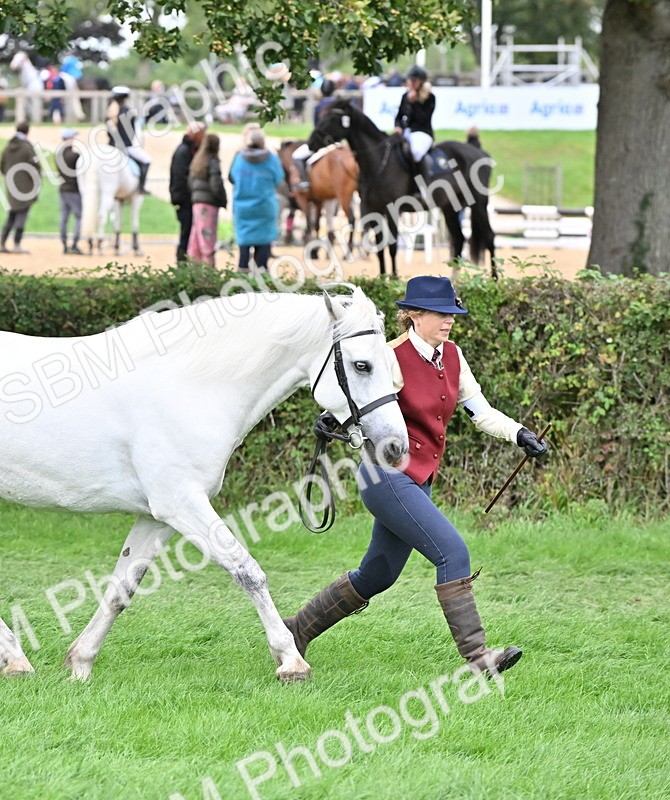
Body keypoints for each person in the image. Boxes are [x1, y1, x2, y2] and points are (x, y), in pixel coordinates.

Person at [283, 276, 550, 676]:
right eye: (441, 315)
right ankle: (479, 658)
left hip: (419, 480)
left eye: (452, 315)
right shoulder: (390, 356)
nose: (449, 322)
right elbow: (361, 404)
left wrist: (519, 433)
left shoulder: (454, 355)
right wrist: (329, 421)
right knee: (453, 552)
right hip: (385, 476)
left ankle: (295, 630)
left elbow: (480, 412)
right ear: (414, 316)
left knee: (379, 574)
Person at [227, 125, 284, 272]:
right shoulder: (271, 159)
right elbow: (279, 178)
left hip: (243, 208)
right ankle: (262, 278)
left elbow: (232, 177)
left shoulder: (239, 158)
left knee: (244, 245)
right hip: (265, 207)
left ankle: (242, 274)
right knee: (263, 244)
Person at [0, 121, 41, 254]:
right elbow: (36, 167)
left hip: (11, 185)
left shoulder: (8, 146)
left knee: (11, 214)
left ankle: (2, 243)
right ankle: (17, 243)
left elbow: (2, 166)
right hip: (26, 187)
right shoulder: (27, 147)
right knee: (22, 215)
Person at [169, 121, 207, 262]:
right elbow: (181, 177)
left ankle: (185, 263)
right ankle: (182, 264)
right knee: (186, 233)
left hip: (186, 199)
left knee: (189, 233)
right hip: (184, 200)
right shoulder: (183, 151)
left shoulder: (189, 150)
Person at [187, 134, 225, 267]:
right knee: (207, 241)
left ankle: (192, 271)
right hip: (209, 205)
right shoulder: (212, 161)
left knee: (196, 241)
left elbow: (190, 183)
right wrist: (222, 199)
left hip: (197, 204)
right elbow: (216, 184)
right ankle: (209, 274)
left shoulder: (197, 160)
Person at [394, 64, 438, 180]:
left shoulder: (430, 98)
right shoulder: (405, 96)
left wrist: (414, 103)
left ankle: (419, 183)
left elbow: (423, 119)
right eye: (410, 80)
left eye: (415, 80)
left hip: (422, 133)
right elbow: (399, 116)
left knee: (416, 152)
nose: (411, 83)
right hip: (406, 132)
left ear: (422, 82)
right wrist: (397, 127)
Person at [106, 86, 151, 195]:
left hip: (111, 145)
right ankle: (141, 187)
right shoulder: (128, 112)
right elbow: (132, 133)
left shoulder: (110, 111)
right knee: (146, 160)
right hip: (126, 146)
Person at [56, 128, 83, 255]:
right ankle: (74, 244)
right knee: (78, 216)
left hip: (63, 189)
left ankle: (64, 243)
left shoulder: (58, 155)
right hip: (74, 190)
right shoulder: (75, 156)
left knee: (64, 218)